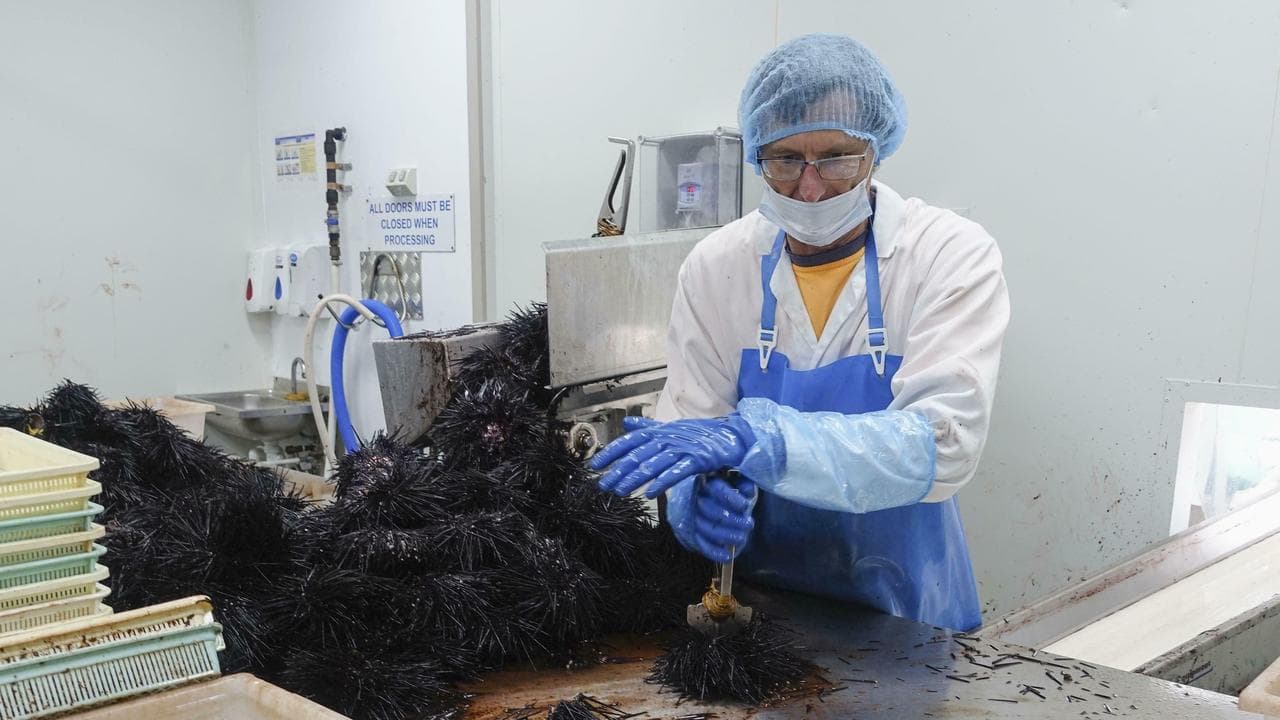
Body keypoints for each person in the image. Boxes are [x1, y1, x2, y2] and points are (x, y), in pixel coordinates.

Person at [591, 33, 1010, 632]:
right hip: (765, 618)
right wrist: (691, 503)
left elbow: (943, 443)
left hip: (909, 618)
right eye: (785, 160)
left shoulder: (946, 255)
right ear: (757, 156)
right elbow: (689, 421)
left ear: (876, 151)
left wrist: (764, 439)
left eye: (836, 157)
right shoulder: (717, 268)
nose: (810, 188)